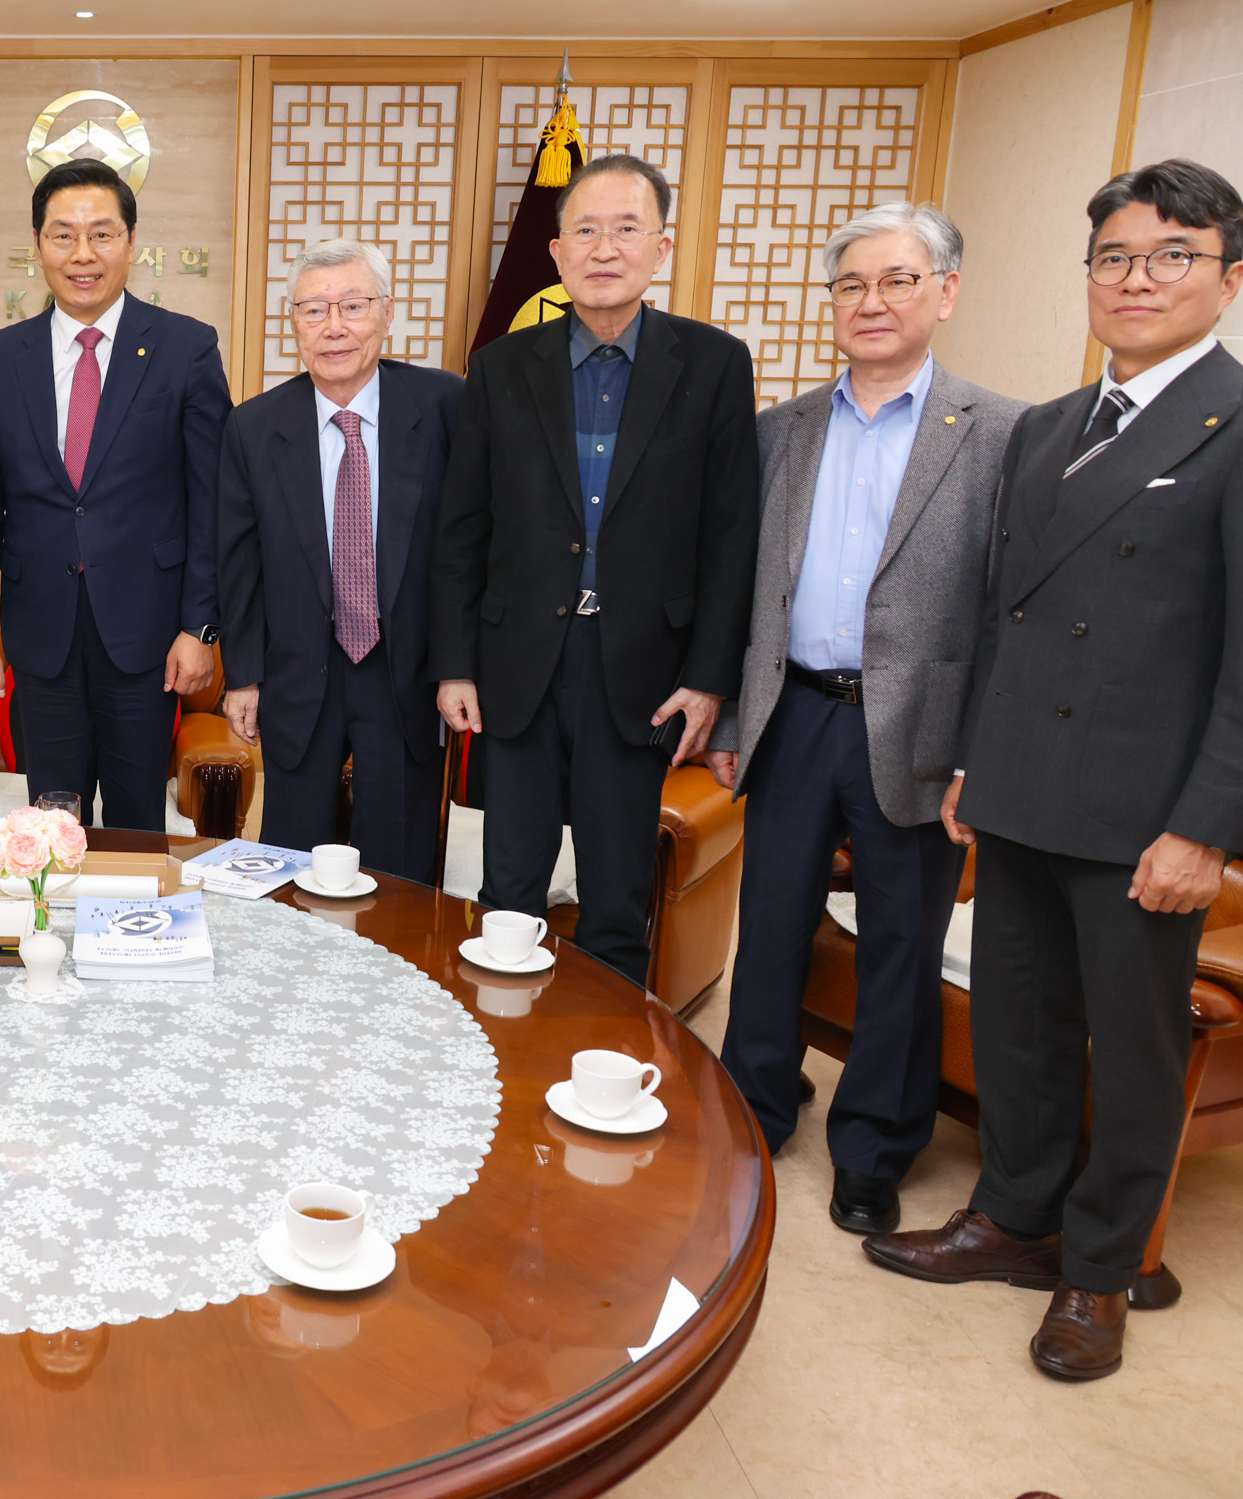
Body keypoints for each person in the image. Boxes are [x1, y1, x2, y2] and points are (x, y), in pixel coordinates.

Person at [866, 159, 1243, 1383]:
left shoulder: (1234, 423)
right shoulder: (1047, 427)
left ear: (1229, 280)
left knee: (1130, 1053)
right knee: (1019, 1025)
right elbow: (1001, 613)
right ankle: (1015, 1218)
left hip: (1145, 813)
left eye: (1173, 255)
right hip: (1021, 781)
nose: (1138, 278)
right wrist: (972, 757)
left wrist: (1207, 825)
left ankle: (1103, 1268)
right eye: (1115, 257)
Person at [703, 204, 1025, 1236]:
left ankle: (876, 1146)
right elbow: (744, 588)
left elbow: (1006, 611)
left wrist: (980, 754)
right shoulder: (781, 430)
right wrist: (733, 716)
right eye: (851, 284)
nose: (871, 302)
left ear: (946, 292)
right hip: (795, 713)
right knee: (771, 931)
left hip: (920, 728)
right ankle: (755, 1106)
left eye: (897, 281)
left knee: (900, 944)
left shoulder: (1002, 434)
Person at [430, 154, 757, 987]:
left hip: (642, 669)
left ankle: (604, 1050)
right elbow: (461, 530)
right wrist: (455, 664)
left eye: (626, 229)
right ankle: (505, 1041)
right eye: (585, 230)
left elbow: (731, 536)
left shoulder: (715, 364)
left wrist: (709, 681)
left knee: (617, 899)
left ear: (661, 246)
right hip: (518, 665)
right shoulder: (501, 365)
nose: (604, 248)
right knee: (508, 893)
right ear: (556, 251)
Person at [0, 159, 231, 829]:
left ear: (131, 244)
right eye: (63, 235)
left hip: (148, 640)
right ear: (38, 245)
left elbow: (213, 503)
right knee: (51, 826)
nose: (83, 254)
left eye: (102, 234)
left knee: (137, 826)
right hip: (40, 637)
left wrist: (200, 628)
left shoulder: (186, 348)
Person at [216, 239, 462, 878]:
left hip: (406, 673)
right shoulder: (253, 426)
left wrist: (459, 666)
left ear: (387, 312)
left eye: (353, 306)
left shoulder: (446, 406)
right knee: (290, 864)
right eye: (314, 310)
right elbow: (238, 563)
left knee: (400, 870)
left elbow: (470, 545)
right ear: (293, 323)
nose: (334, 327)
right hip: (299, 672)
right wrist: (243, 676)